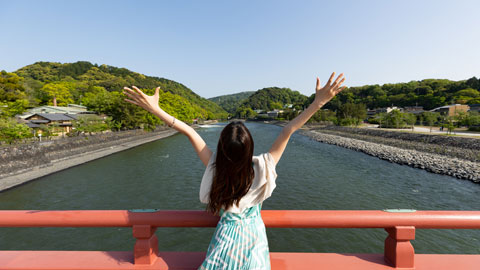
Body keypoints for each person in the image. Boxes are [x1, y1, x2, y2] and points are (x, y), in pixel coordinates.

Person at [123, 72, 346, 270]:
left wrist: (156, 109)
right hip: (254, 241)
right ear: (249, 148)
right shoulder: (263, 167)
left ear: (221, 147)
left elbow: (190, 131)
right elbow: (289, 129)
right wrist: (318, 102)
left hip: (225, 241)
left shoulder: (215, 167)